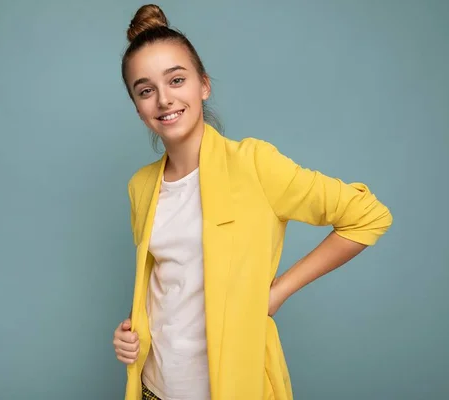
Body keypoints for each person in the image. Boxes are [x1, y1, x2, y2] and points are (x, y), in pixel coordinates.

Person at [112, 4, 393, 400]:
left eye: (176, 80)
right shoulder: (141, 186)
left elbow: (368, 217)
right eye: (145, 90)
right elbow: (169, 286)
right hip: (154, 388)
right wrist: (131, 332)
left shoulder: (255, 164)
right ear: (138, 109)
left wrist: (276, 292)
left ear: (203, 85)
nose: (163, 99)